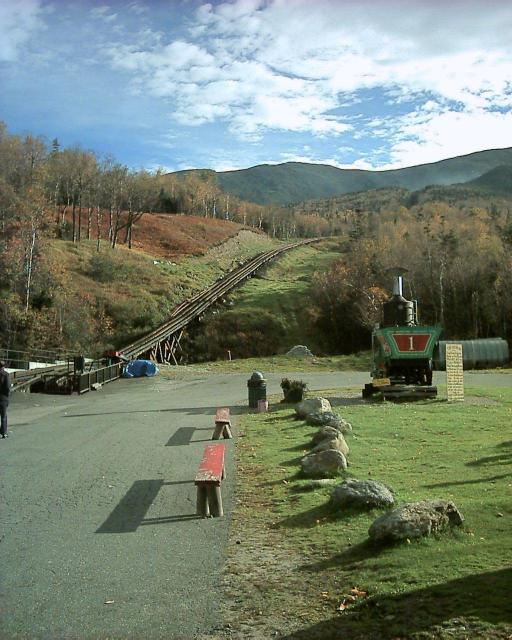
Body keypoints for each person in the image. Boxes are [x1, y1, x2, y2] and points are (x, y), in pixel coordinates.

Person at [0, 361, 10, 439]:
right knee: (3, 416)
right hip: (3, 398)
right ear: (3, 366)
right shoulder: (6, 374)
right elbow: (7, 387)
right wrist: (7, 396)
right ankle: (4, 433)